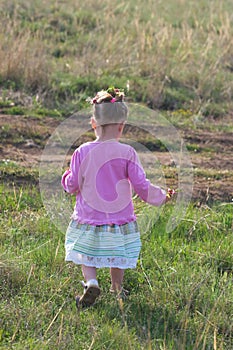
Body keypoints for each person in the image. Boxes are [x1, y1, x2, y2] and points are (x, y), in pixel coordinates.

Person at [61, 87, 174, 308]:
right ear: (121, 126)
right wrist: (161, 196)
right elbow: (142, 186)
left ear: (94, 123)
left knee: (85, 252)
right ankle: (117, 288)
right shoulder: (128, 153)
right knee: (118, 253)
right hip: (119, 217)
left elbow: (73, 185)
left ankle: (91, 282)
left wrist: (66, 177)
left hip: (88, 216)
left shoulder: (81, 152)